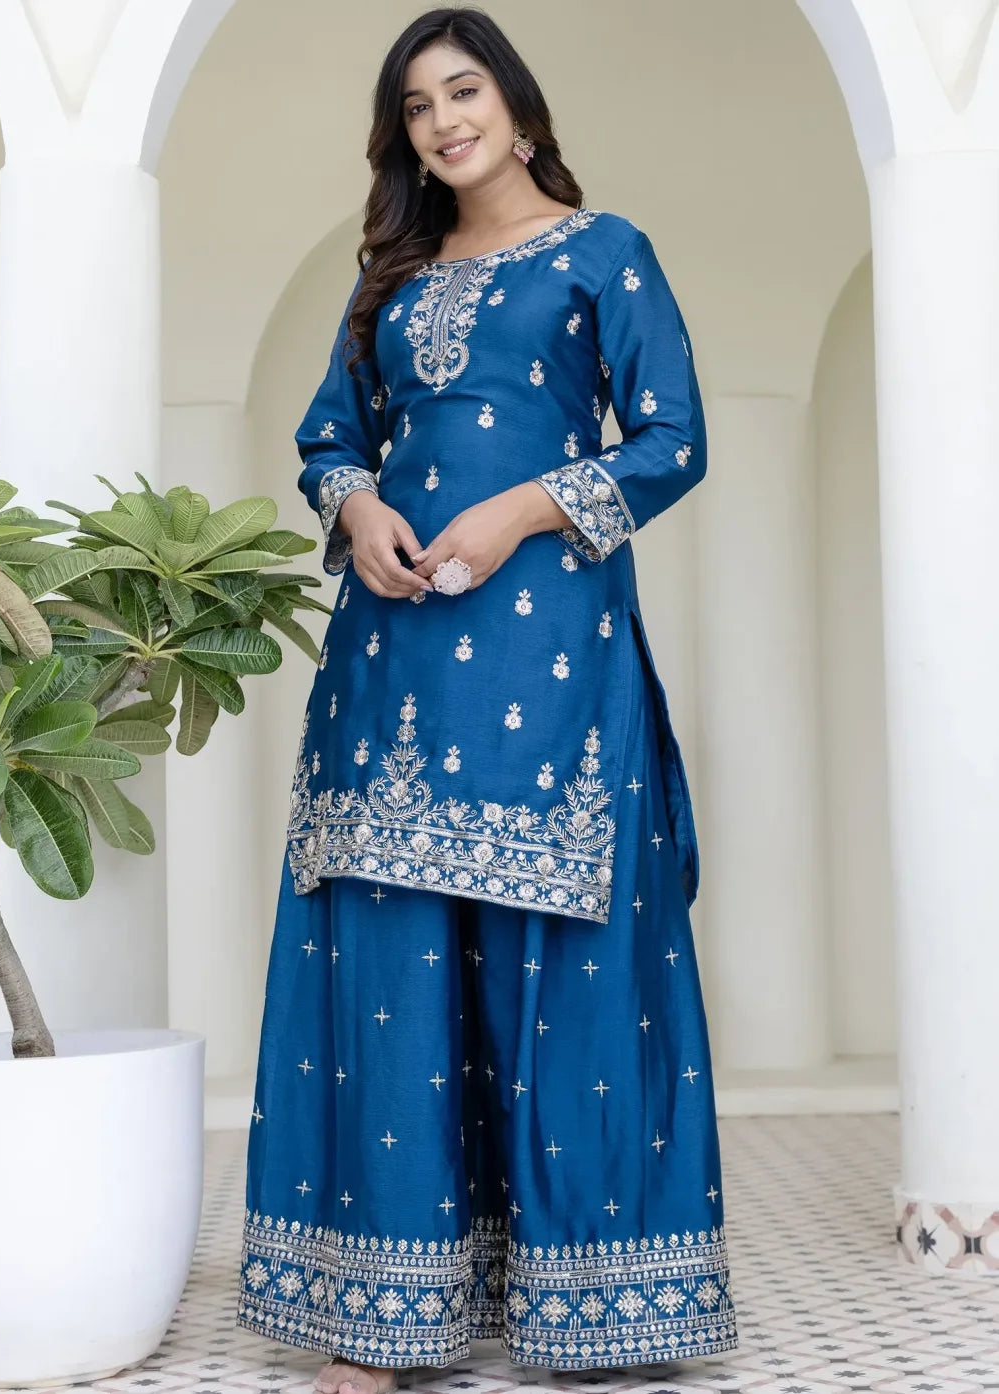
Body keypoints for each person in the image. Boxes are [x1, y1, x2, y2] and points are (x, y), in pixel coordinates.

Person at [237, 7, 738, 1389]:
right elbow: (329, 433)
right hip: (388, 650)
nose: (443, 120)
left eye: (464, 91)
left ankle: (594, 1302)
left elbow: (673, 438)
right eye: (416, 106)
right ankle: (388, 1317)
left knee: (554, 946)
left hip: (546, 650)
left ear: (517, 109)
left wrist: (524, 506)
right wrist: (356, 506)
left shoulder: (603, 253)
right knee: (390, 958)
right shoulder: (389, 277)